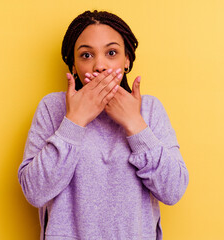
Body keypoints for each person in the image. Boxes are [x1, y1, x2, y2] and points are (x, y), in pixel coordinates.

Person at [18, 10, 189, 240]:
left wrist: (135, 125)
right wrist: (74, 121)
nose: (100, 65)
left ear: (126, 60)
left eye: (111, 52)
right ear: (73, 66)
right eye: (86, 55)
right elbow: (35, 192)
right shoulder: (52, 108)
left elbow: (173, 190)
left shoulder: (149, 110)